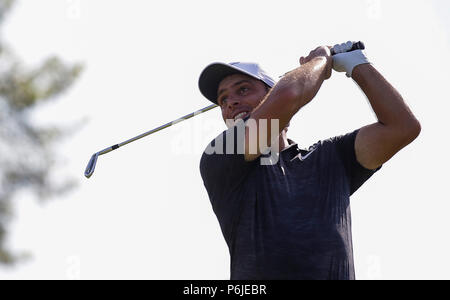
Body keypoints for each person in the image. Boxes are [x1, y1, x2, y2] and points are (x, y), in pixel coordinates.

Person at [197, 42, 421, 280]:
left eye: (242, 90)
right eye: (223, 100)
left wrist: (357, 64)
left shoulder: (331, 157)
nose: (230, 102)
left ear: (270, 94)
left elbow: (402, 127)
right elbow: (290, 94)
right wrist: (321, 61)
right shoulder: (219, 153)